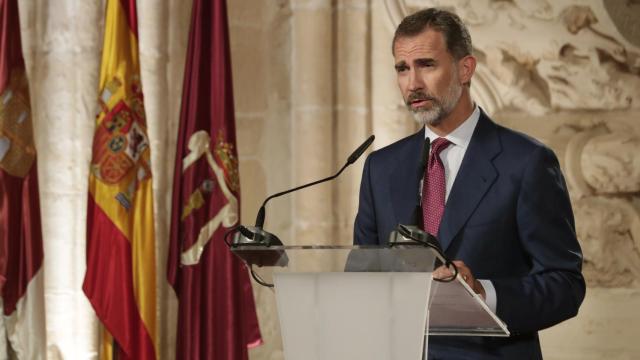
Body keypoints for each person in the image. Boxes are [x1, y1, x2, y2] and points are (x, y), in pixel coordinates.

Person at [353, 8, 585, 359]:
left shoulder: (526, 162)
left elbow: (565, 284)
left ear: (465, 69)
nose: (412, 83)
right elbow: (363, 276)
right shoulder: (380, 168)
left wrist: (484, 294)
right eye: (402, 68)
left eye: (426, 65)